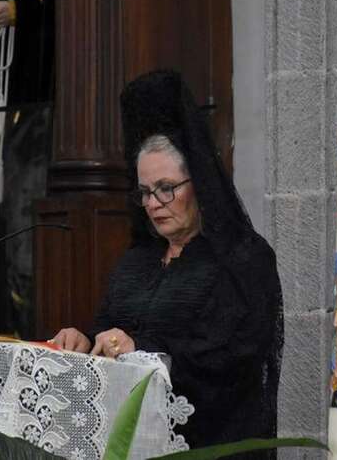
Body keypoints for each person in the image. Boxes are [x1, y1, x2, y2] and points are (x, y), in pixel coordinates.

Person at [53, 70, 284, 456]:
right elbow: (109, 333)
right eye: (145, 192)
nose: (153, 204)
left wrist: (139, 349)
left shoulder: (243, 258)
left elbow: (231, 360)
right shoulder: (136, 261)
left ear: (200, 183)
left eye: (166, 189)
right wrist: (85, 342)